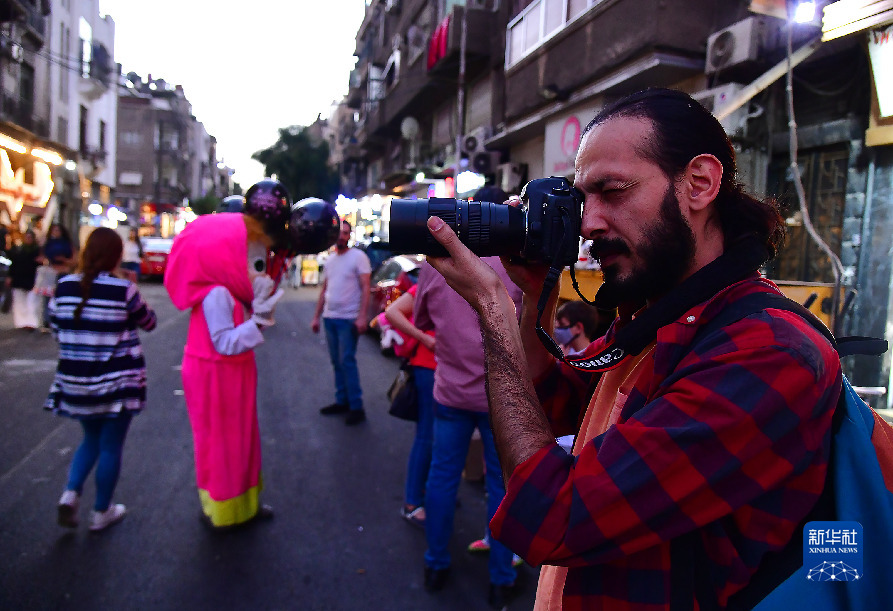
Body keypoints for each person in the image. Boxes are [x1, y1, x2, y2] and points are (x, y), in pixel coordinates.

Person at [421, 88, 842, 609]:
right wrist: (534, 299)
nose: (588, 224)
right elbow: (552, 407)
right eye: (584, 199)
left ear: (700, 183)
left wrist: (492, 306)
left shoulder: (769, 354)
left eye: (613, 191)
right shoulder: (661, 315)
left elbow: (551, 516)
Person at [412, 258, 524, 609]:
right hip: (500, 398)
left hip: (452, 392)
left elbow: (421, 320)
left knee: (442, 478)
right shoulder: (512, 261)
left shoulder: (435, 264)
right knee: (503, 488)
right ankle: (501, 579)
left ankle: (436, 564)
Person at [164, 213, 283, 530]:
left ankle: (246, 505)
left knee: (242, 439)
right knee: (221, 443)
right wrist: (258, 321)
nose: (259, 272)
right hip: (215, 376)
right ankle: (223, 511)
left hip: (232, 372)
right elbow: (224, 342)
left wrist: (257, 317)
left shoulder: (230, 291)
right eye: (253, 262)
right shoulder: (217, 294)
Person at [46, 227, 157, 531]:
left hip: (75, 382)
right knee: (110, 446)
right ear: (116, 256)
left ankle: (70, 493)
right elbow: (149, 322)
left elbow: (56, 328)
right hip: (115, 385)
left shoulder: (63, 287)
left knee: (90, 439)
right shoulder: (123, 289)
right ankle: (102, 510)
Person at [385, 284, 437, 527]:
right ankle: (413, 501)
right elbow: (392, 312)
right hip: (429, 366)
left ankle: (428, 491)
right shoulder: (432, 280)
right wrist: (425, 339)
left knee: (438, 437)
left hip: (446, 369)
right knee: (427, 435)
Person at [311, 220, 371, 426]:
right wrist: (316, 316)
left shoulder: (359, 257)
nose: (342, 236)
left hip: (348, 319)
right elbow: (324, 290)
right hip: (330, 318)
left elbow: (366, 288)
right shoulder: (330, 260)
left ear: (350, 236)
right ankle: (341, 401)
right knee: (336, 362)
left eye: (346, 233)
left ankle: (356, 406)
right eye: (340, 233)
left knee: (347, 361)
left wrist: (362, 316)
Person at [39, 223, 76, 332]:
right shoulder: (48, 244)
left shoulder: (67, 244)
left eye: (58, 230)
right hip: (50, 272)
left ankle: (60, 319)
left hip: (63, 271)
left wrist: (64, 261)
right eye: (54, 230)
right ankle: (47, 321)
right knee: (47, 297)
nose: (56, 232)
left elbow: (74, 260)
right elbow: (43, 257)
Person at [5, 230, 42, 329]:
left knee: (32, 302)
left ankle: (31, 322)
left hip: (32, 279)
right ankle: (21, 322)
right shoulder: (19, 250)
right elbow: (14, 264)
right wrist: (10, 276)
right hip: (19, 278)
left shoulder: (37, 251)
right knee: (19, 301)